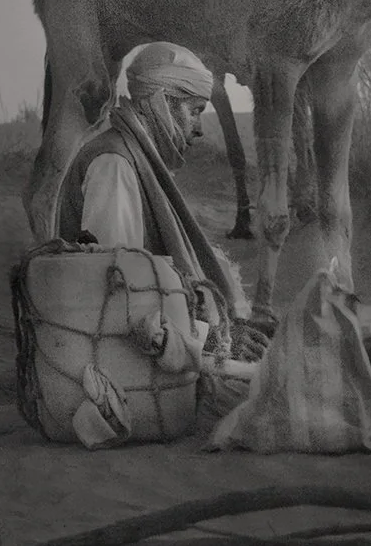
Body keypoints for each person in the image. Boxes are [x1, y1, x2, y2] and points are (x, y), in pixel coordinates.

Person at [56, 41, 248, 330]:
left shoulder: (136, 156)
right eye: (195, 111)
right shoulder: (114, 162)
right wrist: (200, 330)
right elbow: (119, 280)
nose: (199, 128)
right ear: (162, 102)